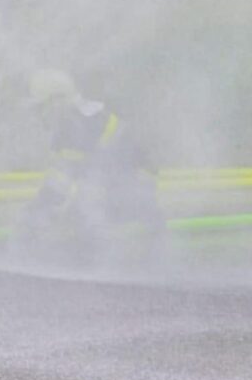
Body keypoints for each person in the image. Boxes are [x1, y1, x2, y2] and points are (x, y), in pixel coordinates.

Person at [16, 68, 163, 250]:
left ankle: (105, 266)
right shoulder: (85, 117)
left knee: (87, 203)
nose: (39, 115)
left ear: (56, 102)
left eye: (41, 108)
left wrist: (37, 210)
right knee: (82, 200)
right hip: (132, 189)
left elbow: (63, 180)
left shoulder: (74, 125)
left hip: (130, 192)